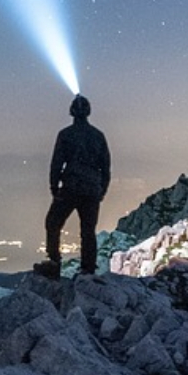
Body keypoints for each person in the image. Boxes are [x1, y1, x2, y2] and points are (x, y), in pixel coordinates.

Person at [39, 93, 110, 278]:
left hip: (70, 187)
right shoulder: (98, 136)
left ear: (71, 112)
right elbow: (106, 167)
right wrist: (101, 190)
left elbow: (56, 163)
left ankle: (54, 262)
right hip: (92, 189)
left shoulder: (65, 135)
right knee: (88, 230)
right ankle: (88, 269)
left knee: (53, 223)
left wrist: (54, 188)